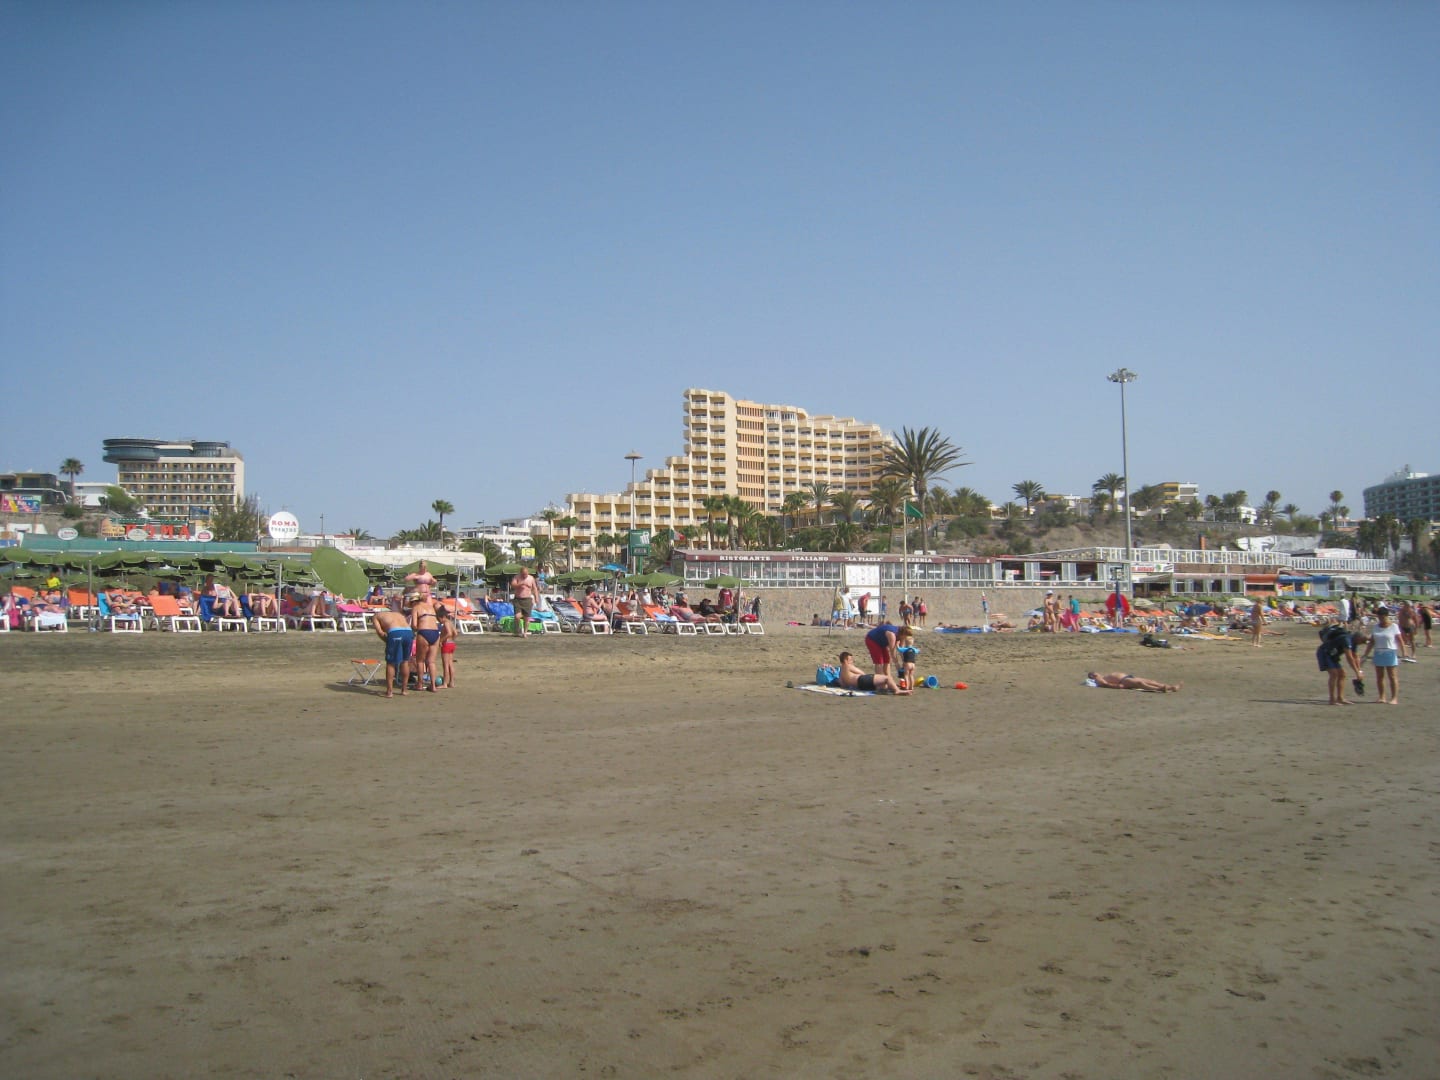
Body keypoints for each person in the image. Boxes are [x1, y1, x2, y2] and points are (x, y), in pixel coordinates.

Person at [1362, 606, 1402, 705]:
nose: (1380, 619)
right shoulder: (1376, 627)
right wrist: (1365, 654)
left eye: (1382, 617)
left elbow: (1400, 640)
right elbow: (1372, 642)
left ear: (1386, 616)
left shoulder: (1394, 626)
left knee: (1392, 676)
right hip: (1378, 652)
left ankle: (1394, 698)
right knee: (1380, 676)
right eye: (1379, 617)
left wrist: (1404, 652)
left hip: (1390, 652)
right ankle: (1382, 697)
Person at [1316, 621, 1363, 705]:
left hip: (1333, 655)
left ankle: (1340, 698)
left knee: (1342, 674)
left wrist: (1360, 671)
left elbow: (1355, 657)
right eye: (1362, 641)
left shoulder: (1354, 642)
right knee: (1334, 674)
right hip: (1325, 652)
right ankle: (1332, 699)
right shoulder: (1346, 639)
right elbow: (1349, 658)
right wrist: (1356, 672)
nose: (1362, 643)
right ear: (1358, 638)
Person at [372, 608, 414, 698]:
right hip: (409, 632)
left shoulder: (376, 616)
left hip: (395, 632)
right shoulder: (397, 614)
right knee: (405, 661)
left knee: (391, 663)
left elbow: (380, 632)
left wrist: (388, 642)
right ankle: (404, 690)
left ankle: (389, 692)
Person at [409, 593, 441, 691]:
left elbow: (414, 625)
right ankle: (433, 686)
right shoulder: (431, 607)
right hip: (435, 633)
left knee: (420, 661)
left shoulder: (416, 608)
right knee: (431, 662)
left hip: (423, 632)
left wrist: (414, 631)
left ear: (414, 601)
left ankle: (420, 684)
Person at [837, 651, 910, 694]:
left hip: (860, 687)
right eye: (850, 659)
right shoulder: (848, 666)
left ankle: (893, 687)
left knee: (883, 684)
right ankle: (897, 690)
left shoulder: (841, 671)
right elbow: (862, 673)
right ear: (845, 660)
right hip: (862, 680)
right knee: (887, 678)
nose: (852, 661)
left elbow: (842, 684)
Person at [510, 565, 540, 637]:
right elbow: (513, 585)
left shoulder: (531, 578)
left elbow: (535, 589)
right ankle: (517, 631)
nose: (525, 576)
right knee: (517, 616)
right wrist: (520, 584)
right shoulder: (517, 577)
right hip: (518, 599)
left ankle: (525, 632)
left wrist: (536, 597)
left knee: (527, 618)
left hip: (527, 599)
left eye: (526, 574)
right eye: (523, 574)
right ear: (521, 573)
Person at [1087, 671, 1182, 693]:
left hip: (1128, 677)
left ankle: (1172, 687)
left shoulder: (1102, 676)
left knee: (1151, 681)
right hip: (1123, 680)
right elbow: (1105, 684)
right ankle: (1159, 689)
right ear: (1093, 676)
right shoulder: (1098, 679)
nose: (1097, 674)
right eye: (1095, 674)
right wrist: (1118, 686)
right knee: (1140, 684)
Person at [437, 603, 458, 690]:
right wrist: (451, 639)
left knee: (445, 665)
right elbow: (455, 633)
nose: (439, 621)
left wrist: (441, 640)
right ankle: (451, 682)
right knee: (450, 664)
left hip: (446, 644)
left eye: (438, 619)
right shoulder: (450, 622)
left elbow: (449, 633)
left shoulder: (445, 623)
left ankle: (445, 683)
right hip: (452, 644)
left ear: (442, 617)